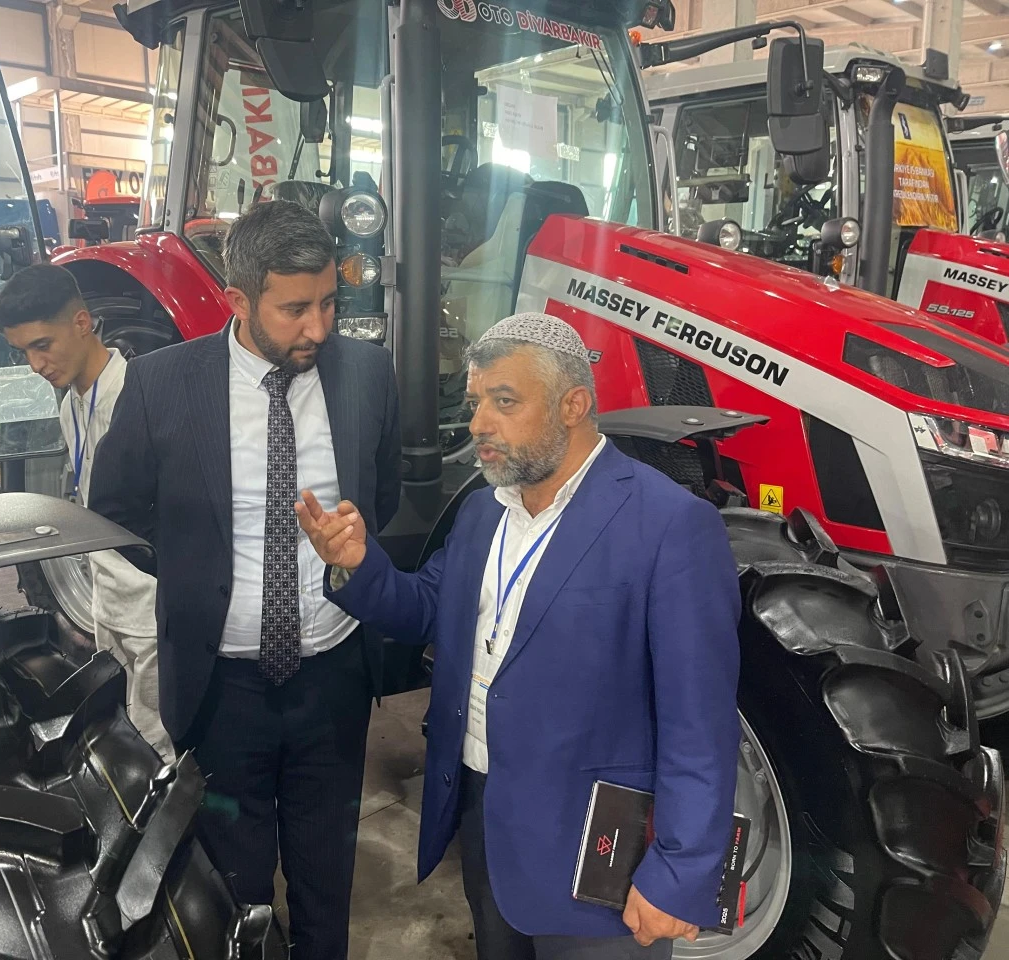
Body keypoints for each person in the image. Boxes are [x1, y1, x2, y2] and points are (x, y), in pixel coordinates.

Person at [297, 313, 741, 960]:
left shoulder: (669, 526)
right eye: (476, 402)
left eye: (504, 401)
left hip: (595, 851)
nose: (478, 423)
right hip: (483, 817)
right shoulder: (482, 512)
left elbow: (699, 723)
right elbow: (427, 610)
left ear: (572, 405)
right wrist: (358, 566)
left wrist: (680, 870)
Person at [88, 200, 402, 960]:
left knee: (326, 869)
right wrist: (195, 571)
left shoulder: (365, 374)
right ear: (237, 299)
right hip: (221, 687)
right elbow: (116, 509)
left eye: (328, 303)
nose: (318, 328)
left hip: (333, 679)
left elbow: (382, 493)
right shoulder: (163, 384)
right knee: (234, 881)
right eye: (295, 310)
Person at [0, 263, 172, 757]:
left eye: (42, 345)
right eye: (23, 351)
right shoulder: (70, 404)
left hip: (151, 609)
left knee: (159, 750)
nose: (35, 365)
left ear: (81, 322)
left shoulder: (141, 398)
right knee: (121, 740)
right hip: (107, 603)